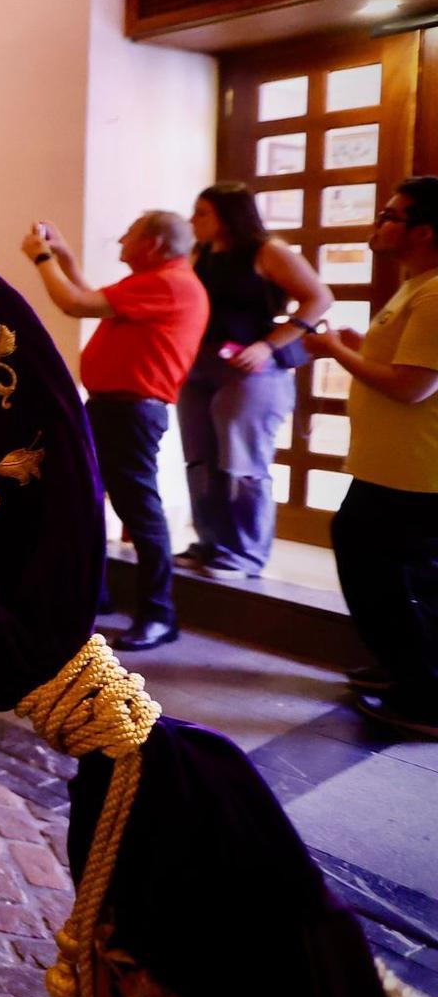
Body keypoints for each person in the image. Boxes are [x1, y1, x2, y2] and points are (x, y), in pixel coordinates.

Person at [24, 212, 208, 651]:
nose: (121, 240)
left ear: (156, 244)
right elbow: (89, 296)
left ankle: (159, 615)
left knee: (139, 512)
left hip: (131, 412)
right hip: (114, 410)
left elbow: (74, 304)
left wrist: (42, 258)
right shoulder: (161, 280)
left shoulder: (169, 283)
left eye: (129, 235)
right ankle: (98, 597)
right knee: (88, 498)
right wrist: (64, 257)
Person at [303, 176, 438, 739]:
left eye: (392, 215)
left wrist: (334, 350)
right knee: (392, 569)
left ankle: (423, 695)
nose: (378, 222)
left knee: (374, 564)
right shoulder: (418, 286)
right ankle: (406, 672)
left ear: (425, 231)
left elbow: (413, 387)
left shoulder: (435, 293)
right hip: (393, 464)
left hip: (415, 471)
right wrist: (359, 348)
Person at [179, 183, 332, 579]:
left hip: (250, 369)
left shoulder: (268, 251)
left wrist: (269, 344)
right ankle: (209, 542)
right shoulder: (201, 253)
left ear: (227, 214)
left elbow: (319, 298)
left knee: (242, 459)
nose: (193, 220)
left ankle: (245, 552)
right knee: (200, 457)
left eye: (202, 212)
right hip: (199, 364)